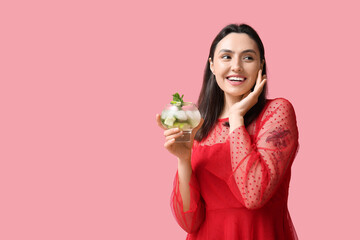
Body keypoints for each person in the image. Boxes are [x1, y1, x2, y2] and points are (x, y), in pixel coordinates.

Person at [156, 23, 299, 240]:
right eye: (226, 57)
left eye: (248, 58)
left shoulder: (277, 111)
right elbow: (189, 222)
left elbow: (254, 195)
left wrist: (236, 117)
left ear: (261, 65)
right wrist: (184, 160)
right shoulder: (198, 125)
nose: (237, 67)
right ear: (212, 65)